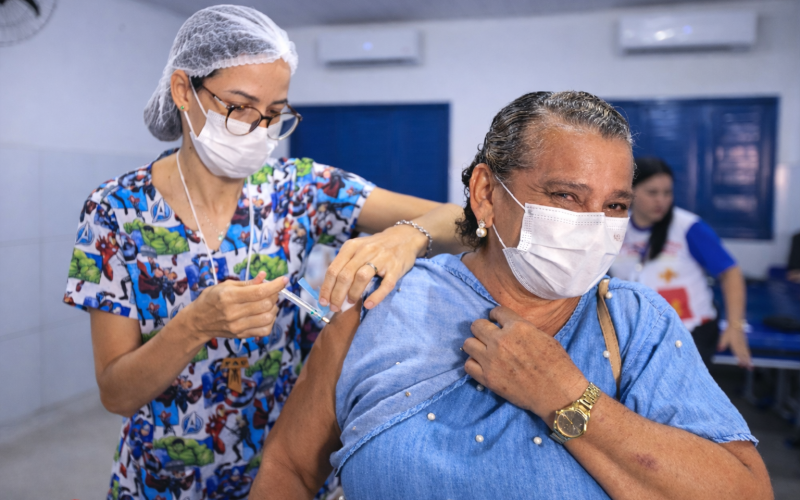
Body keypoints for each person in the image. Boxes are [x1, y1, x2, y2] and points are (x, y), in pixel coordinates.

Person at [252, 91, 772, 499]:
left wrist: (567, 396)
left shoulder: (636, 324)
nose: (593, 226)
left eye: (614, 205)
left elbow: (745, 491)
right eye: (566, 196)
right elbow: (290, 468)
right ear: (486, 193)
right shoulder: (379, 307)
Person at [63, 6, 466, 499]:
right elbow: (116, 393)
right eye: (239, 106)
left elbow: (458, 221)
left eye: (275, 113)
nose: (258, 129)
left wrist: (405, 237)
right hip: (165, 478)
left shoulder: (298, 189)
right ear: (183, 90)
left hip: (286, 468)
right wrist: (196, 324)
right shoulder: (116, 210)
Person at [609, 157, 752, 368]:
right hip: (641, 334)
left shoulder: (688, 227)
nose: (661, 201)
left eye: (667, 193)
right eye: (652, 192)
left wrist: (735, 326)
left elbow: (730, 271)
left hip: (689, 333)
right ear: (631, 192)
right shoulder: (617, 227)